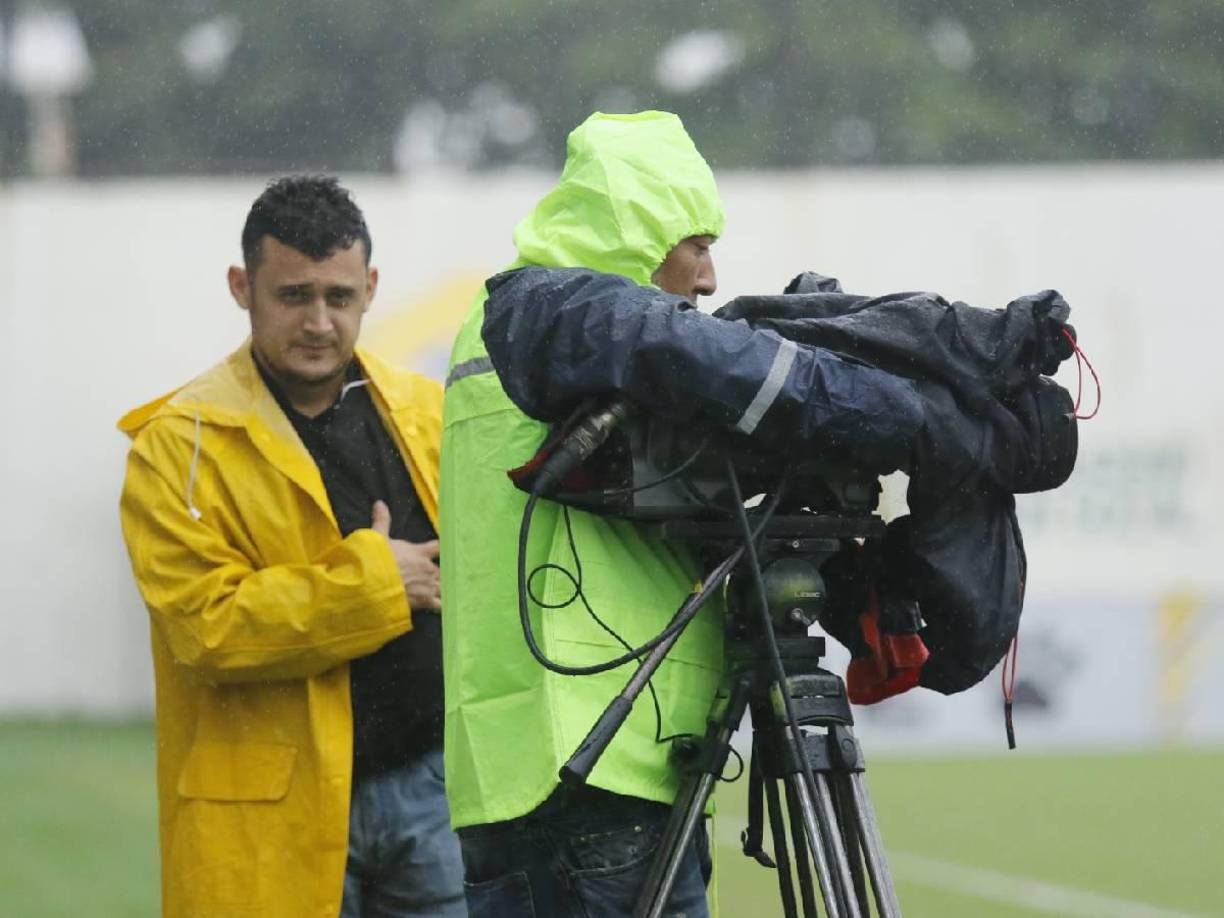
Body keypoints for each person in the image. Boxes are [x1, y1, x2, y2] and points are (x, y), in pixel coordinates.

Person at [440, 111, 922, 917]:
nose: (706, 278)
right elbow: (702, 364)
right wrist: (878, 404)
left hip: (528, 766)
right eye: (695, 243)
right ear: (633, 234)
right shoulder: (566, 321)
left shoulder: (521, 335)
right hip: (593, 761)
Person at [118, 175, 466, 918]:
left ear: (370, 288)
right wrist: (378, 584)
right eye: (293, 295)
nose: (318, 322)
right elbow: (206, 629)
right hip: (274, 808)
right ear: (242, 287)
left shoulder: (430, 415)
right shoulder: (177, 446)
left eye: (338, 297)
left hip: (434, 791)